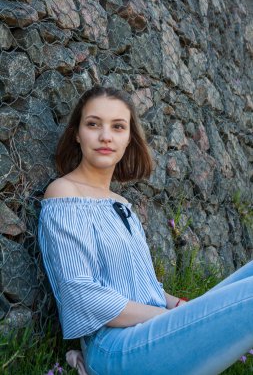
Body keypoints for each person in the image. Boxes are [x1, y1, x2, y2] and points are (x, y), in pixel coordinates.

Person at [38, 85, 253, 375]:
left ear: (128, 138)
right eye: (93, 124)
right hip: (115, 347)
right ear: (77, 133)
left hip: (153, 330)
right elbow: (81, 293)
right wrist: (173, 317)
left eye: (118, 127)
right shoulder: (64, 193)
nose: (105, 136)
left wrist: (179, 305)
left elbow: (142, 284)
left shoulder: (122, 204)